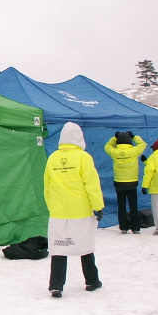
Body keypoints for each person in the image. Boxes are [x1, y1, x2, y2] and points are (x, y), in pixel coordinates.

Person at [44, 122, 104, 298]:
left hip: (58, 212)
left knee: (59, 248)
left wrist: (52, 207)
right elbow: (92, 185)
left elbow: (47, 187)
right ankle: (92, 281)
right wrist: (97, 206)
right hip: (82, 211)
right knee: (85, 245)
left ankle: (56, 285)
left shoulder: (53, 158)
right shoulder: (83, 158)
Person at [104, 130, 146, 234]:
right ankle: (135, 228)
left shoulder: (115, 152)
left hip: (119, 182)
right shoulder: (133, 151)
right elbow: (142, 144)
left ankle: (123, 227)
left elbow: (107, 147)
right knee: (133, 205)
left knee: (121, 205)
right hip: (132, 182)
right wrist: (133, 136)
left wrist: (115, 137)